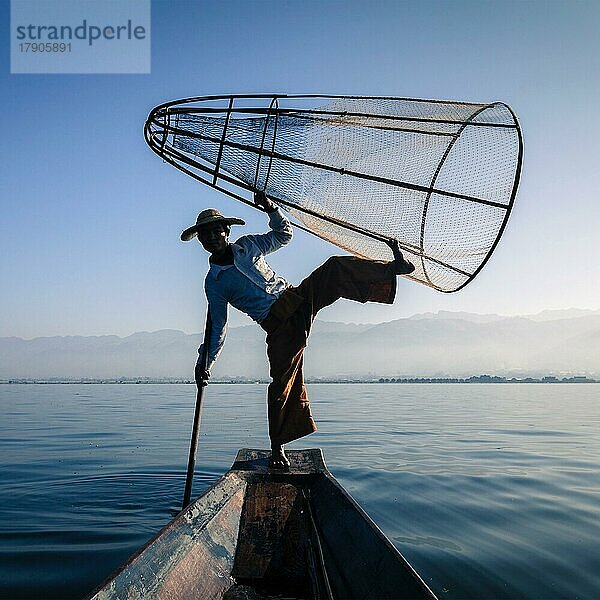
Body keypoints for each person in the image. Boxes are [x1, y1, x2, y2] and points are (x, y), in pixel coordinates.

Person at [181, 192, 415, 470]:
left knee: (334, 267)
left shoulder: (248, 246)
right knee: (281, 385)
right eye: (205, 235)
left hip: (296, 298)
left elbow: (283, 235)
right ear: (202, 242)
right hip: (277, 325)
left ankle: (391, 269)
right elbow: (217, 326)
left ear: (226, 231)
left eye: (216, 231)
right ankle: (277, 446)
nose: (212, 238)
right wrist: (204, 362)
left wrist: (270, 208)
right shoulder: (215, 282)